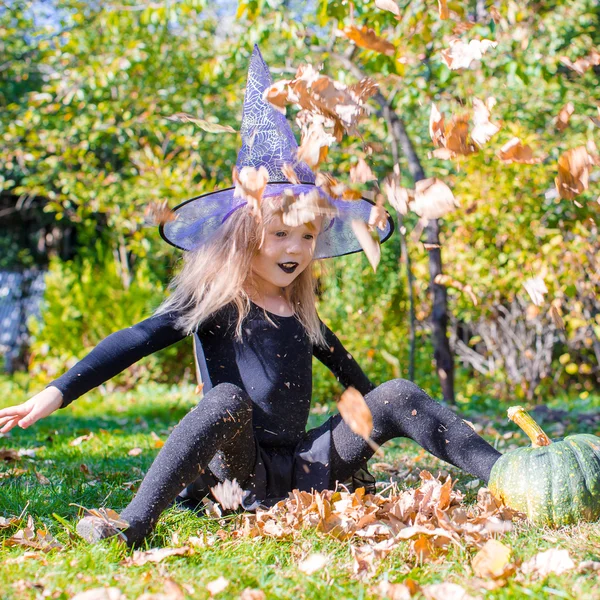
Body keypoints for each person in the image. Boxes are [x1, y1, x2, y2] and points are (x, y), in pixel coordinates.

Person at [0, 47, 501, 546]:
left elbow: (359, 386)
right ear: (244, 236)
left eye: (307, 237)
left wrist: (369, 431)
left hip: (305, 470)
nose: (296, 249)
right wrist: (55, 393)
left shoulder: (302, 312)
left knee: (398, 393)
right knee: (226, 399)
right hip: (237, 478)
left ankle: (509, 473)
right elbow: (137, 339)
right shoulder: (217, 303)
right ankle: (132, 523)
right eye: (281, 233)